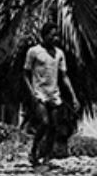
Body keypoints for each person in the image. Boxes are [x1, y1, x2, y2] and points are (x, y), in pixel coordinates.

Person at [24, 24, 79, 167]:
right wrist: (31, 93)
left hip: (54, 94)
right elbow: (25, 73)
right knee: (44, 122)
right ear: (44, 35)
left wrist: (73, 96)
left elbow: (64, 76)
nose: (54, 38)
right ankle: (34, 150)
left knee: (54, 126)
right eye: (52, 35)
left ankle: (47, 156)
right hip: (39, 93)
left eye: (56, 35)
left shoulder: (59, 53)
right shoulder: (34, 51)